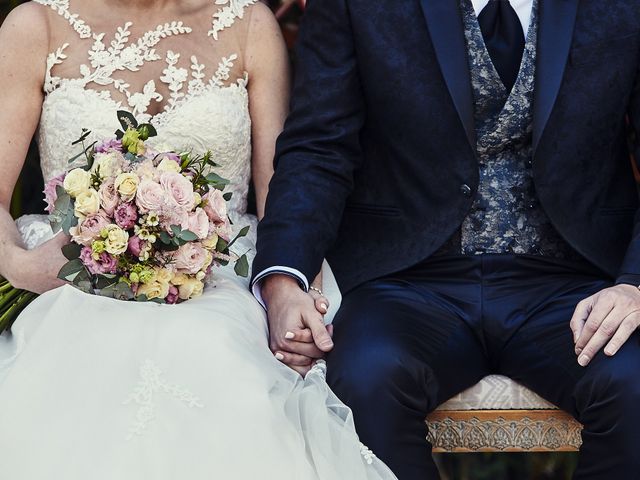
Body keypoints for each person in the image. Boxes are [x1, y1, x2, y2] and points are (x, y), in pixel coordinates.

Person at [0, 1, 397, 478]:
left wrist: (292, 292)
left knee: (214, 352)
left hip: (219, 269)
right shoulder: (36, 24)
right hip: (71, 272)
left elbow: (285, 195)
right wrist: (22, 267)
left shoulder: (248, 25)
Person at [254, 0, 640, 478]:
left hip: (576, 285)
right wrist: (282, 281)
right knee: (364, 377)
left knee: (636, 381)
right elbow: (318, 148)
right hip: (408, 283)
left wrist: (636, 283)